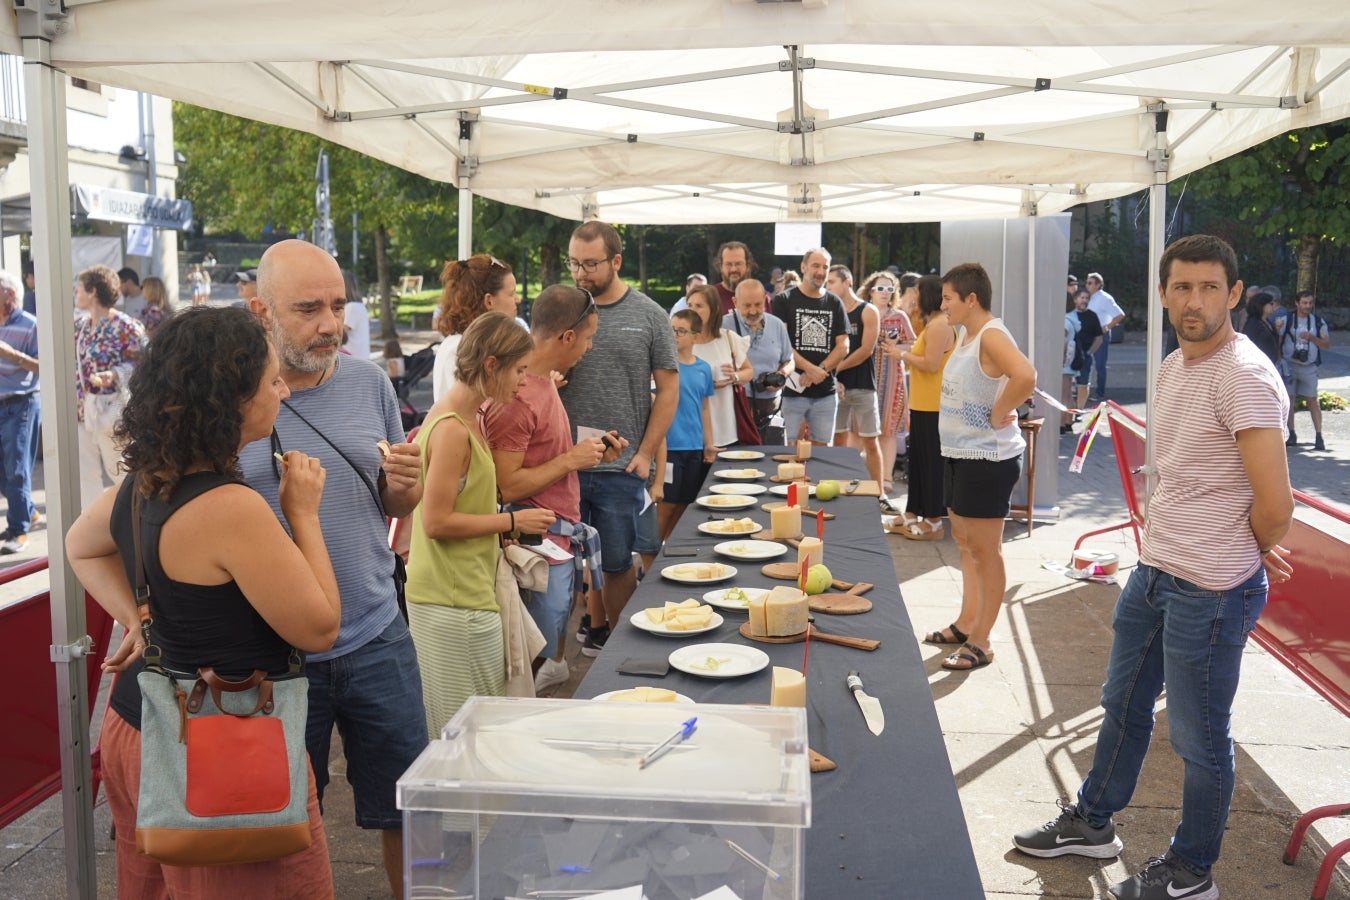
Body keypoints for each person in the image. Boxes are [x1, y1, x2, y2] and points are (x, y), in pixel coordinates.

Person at [1012, 234, 1294, 900]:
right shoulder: (1175, 366)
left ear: (1233, 294)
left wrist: (1242, 547)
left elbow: (1277, 507)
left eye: (1207, 287)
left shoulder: (1245, 377)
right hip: (1156, 571)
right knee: (1123, 704)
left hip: (1213, 587)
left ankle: (1193, 871)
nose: (1193, 300)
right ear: (1164, 294)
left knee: (1199, 741)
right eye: (1180, 287)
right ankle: (1093, 821)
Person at [65, 306, 341, 899]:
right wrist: (304, 514)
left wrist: (138, 619)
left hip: (136, 722)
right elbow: (320, 627)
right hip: (216, 740)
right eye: (271, 380)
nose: (283, 392)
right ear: (230, 400)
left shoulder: (145, 481)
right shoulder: (231, 508)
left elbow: (80, 546)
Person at [237, 239, 426, 898]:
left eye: (338, 306)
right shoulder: (234, 401)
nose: (330, 325)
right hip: (277, 656)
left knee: (408, 804)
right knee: (286, 824)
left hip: (378, 631)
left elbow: (392, 502)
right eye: (309, 309)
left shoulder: (369, 380)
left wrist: (407, 485)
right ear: (260, 309)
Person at [406, 312, 555, 731]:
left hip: (460, 593)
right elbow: (436, 522)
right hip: (453, 602)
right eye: (519, 370)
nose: (523, 381)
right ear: (491, 364)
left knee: (472, 731)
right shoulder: (454, 428)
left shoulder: (463, 417)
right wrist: (509, 523)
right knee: (466, 737)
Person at [485, 286, 624, 693]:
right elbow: (505, 483)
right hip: (534, 548)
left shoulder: (543, 382)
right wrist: (570, 460)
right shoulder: (519, 395)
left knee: (544, 644)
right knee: (526, 659)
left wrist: (589, 453)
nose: (589, 346)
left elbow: (542, 453)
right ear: (566, 337)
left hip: (554, 542)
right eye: (588, 337)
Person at [558, 220, 678, 656]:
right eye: (574, 263)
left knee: (615, 563)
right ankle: (576, 642)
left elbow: (668, 390)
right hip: (563, 464)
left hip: (620, 466)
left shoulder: (649, 314)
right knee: (560, 570)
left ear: (616, 261)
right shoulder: (562, 309)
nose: (581, 273)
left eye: (590, 264)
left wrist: (646, 454)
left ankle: (627, 655)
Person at [925, 262, 1035, 670]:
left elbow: (1026, 375)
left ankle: (982, 640)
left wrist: (1001, 411)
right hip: (959, 455)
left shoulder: (991, 333)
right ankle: (967, 622)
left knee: (986, 551)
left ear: (971, 300)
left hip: (987, 459)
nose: (943, 305)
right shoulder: (968, 334)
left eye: (949, 298)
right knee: (966, 543)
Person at [75, 264, 147, 506]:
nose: (76, 292)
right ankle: (96, 533)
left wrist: (114, 374)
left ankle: (132, 528)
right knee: (85, 478)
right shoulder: (79, 327)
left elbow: (146, 366)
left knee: (122, 474)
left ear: (93, 291)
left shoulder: (126, 326)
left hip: (113, 413)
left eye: (79, 288)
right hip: (83, 412)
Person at [889, 275, 953, 540]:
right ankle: (914, 511)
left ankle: (934, 521)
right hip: (923, 403)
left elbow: (930, 364)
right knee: (917, 463)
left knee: (930, 465)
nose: (913, 299)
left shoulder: (940, 325)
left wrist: (901, 355)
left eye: (916, 294)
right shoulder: (932, 324)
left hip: (934, 405)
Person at [776, 248, 849, 445]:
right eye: (815, 265)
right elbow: (782, 344)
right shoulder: (784, 300)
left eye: (825, 267)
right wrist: (809, 369)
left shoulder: (835, 302)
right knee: (789, 448)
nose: (820, 271)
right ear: (803, 267)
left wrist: (821, 370)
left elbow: (843, 345)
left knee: (822, 452)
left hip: (825, 392)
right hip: (793, 389)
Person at [657, 309, 716, 540]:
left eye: (681, 331)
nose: (674, 335)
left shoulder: (703, 369)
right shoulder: (663, 367)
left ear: (696, 337)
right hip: (669, 448)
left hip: (693, 449)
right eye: (671, 330)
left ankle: (668, 551)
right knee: (666, 504)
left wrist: (708, 444)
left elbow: (704, 408)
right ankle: (649, 556)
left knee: (685, 504)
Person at [431, 254, 519, 402]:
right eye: (511, 293)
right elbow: (476, 412)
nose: (518, 299)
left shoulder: (477, 345)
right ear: (489, 301)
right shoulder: (459, 349)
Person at [827, 264, 883, 486]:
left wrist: (835, 368)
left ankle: (879, 493)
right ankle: (839, 489)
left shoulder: (868, 310)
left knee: (870, 441)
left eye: (831, 282)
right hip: (836, 387)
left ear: (847, 282)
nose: (827, 286)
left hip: (862, 384)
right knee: (838, 439)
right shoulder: (830, 311)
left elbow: (866, 350)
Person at [724, 277, 794, 446]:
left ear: (765, 299)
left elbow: (789, 360)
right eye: (747, 305)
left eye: (758, 304)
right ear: (735, 302)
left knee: (773, 458)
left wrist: (781, 374)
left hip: (771, 404)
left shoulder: (776, 325)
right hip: (738, 403)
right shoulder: (723, 326)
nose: (753, 311)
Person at [0, 270, 40, 554]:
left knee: (16, 469)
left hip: (21, 403)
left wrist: (11, 354)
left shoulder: (31, 325)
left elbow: (44, 366)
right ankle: (27, 510)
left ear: (9, 295)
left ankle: (19, 529)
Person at [688, 285, 751, 448]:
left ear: (714, 309)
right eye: (690, 305)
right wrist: (705, 385)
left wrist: (734, 377)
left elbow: (749, 372)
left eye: (699, 306)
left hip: (727, 425)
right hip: (692, 427)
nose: (693, 310)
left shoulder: (728, 338)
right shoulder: (682, 341)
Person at [873, 272, 918, 495]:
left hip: (892, 379)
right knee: (859, 429)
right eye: (880, 288)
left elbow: (914, 345)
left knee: (888, 429)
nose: (885, 293)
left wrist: (895, 349)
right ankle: (863, 475)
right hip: (864, 378)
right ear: (870, 290)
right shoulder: (863, 313)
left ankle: (886, 477)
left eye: (889, 289)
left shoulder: (899, 317)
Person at [1278, 290, 1330, 451]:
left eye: (1310, 303)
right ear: (1297, 303)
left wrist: (1312, 338)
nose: (1307, 306)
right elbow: (1278, 341)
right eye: (1304, 303)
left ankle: (1319, 436)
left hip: (1309, 366)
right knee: (1289, 401)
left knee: (1312, 400)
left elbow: (1326, 344)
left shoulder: (1318, 322)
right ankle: (1291, 434)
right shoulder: (1286, 320)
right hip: (1290, 366)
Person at [1085, 272, 1125, 401]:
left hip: (1100, 336)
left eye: (1090, 283)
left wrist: (1106, 328)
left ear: (1098, 285)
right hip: (1088, 335)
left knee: (1100, 365)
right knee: (1086, 363)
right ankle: (1085, 390)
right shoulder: (1088, 297)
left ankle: (1100, 392)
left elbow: (1120, 314)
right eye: (1087, 282)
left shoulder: (1105, 298)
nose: (1087, 285)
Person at [1070, 288, 1104, 413]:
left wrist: (1089, 352)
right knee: (1067, 385)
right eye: (1082, 298)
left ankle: (1079, 409)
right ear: (1075, 299)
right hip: (1070, 355)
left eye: (1086, 298)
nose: (1084, 301)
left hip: (1085, 355)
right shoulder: (1070, 315)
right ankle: (1070, 410)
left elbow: (1099, 338)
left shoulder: (1092, 316)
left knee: (1083, 384)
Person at [1240, 291, 1280, 366]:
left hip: (1270, 364)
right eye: (1271, 304)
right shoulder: (1253, 324)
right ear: (1262, 305)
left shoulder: (1267, 321)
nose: (1273, 306)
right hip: (1257, 365)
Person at [342, 269, 372, 360]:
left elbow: (342, 335)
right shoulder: (358, 305)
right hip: (360, 356)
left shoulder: (351, 307)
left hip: (353, 357)